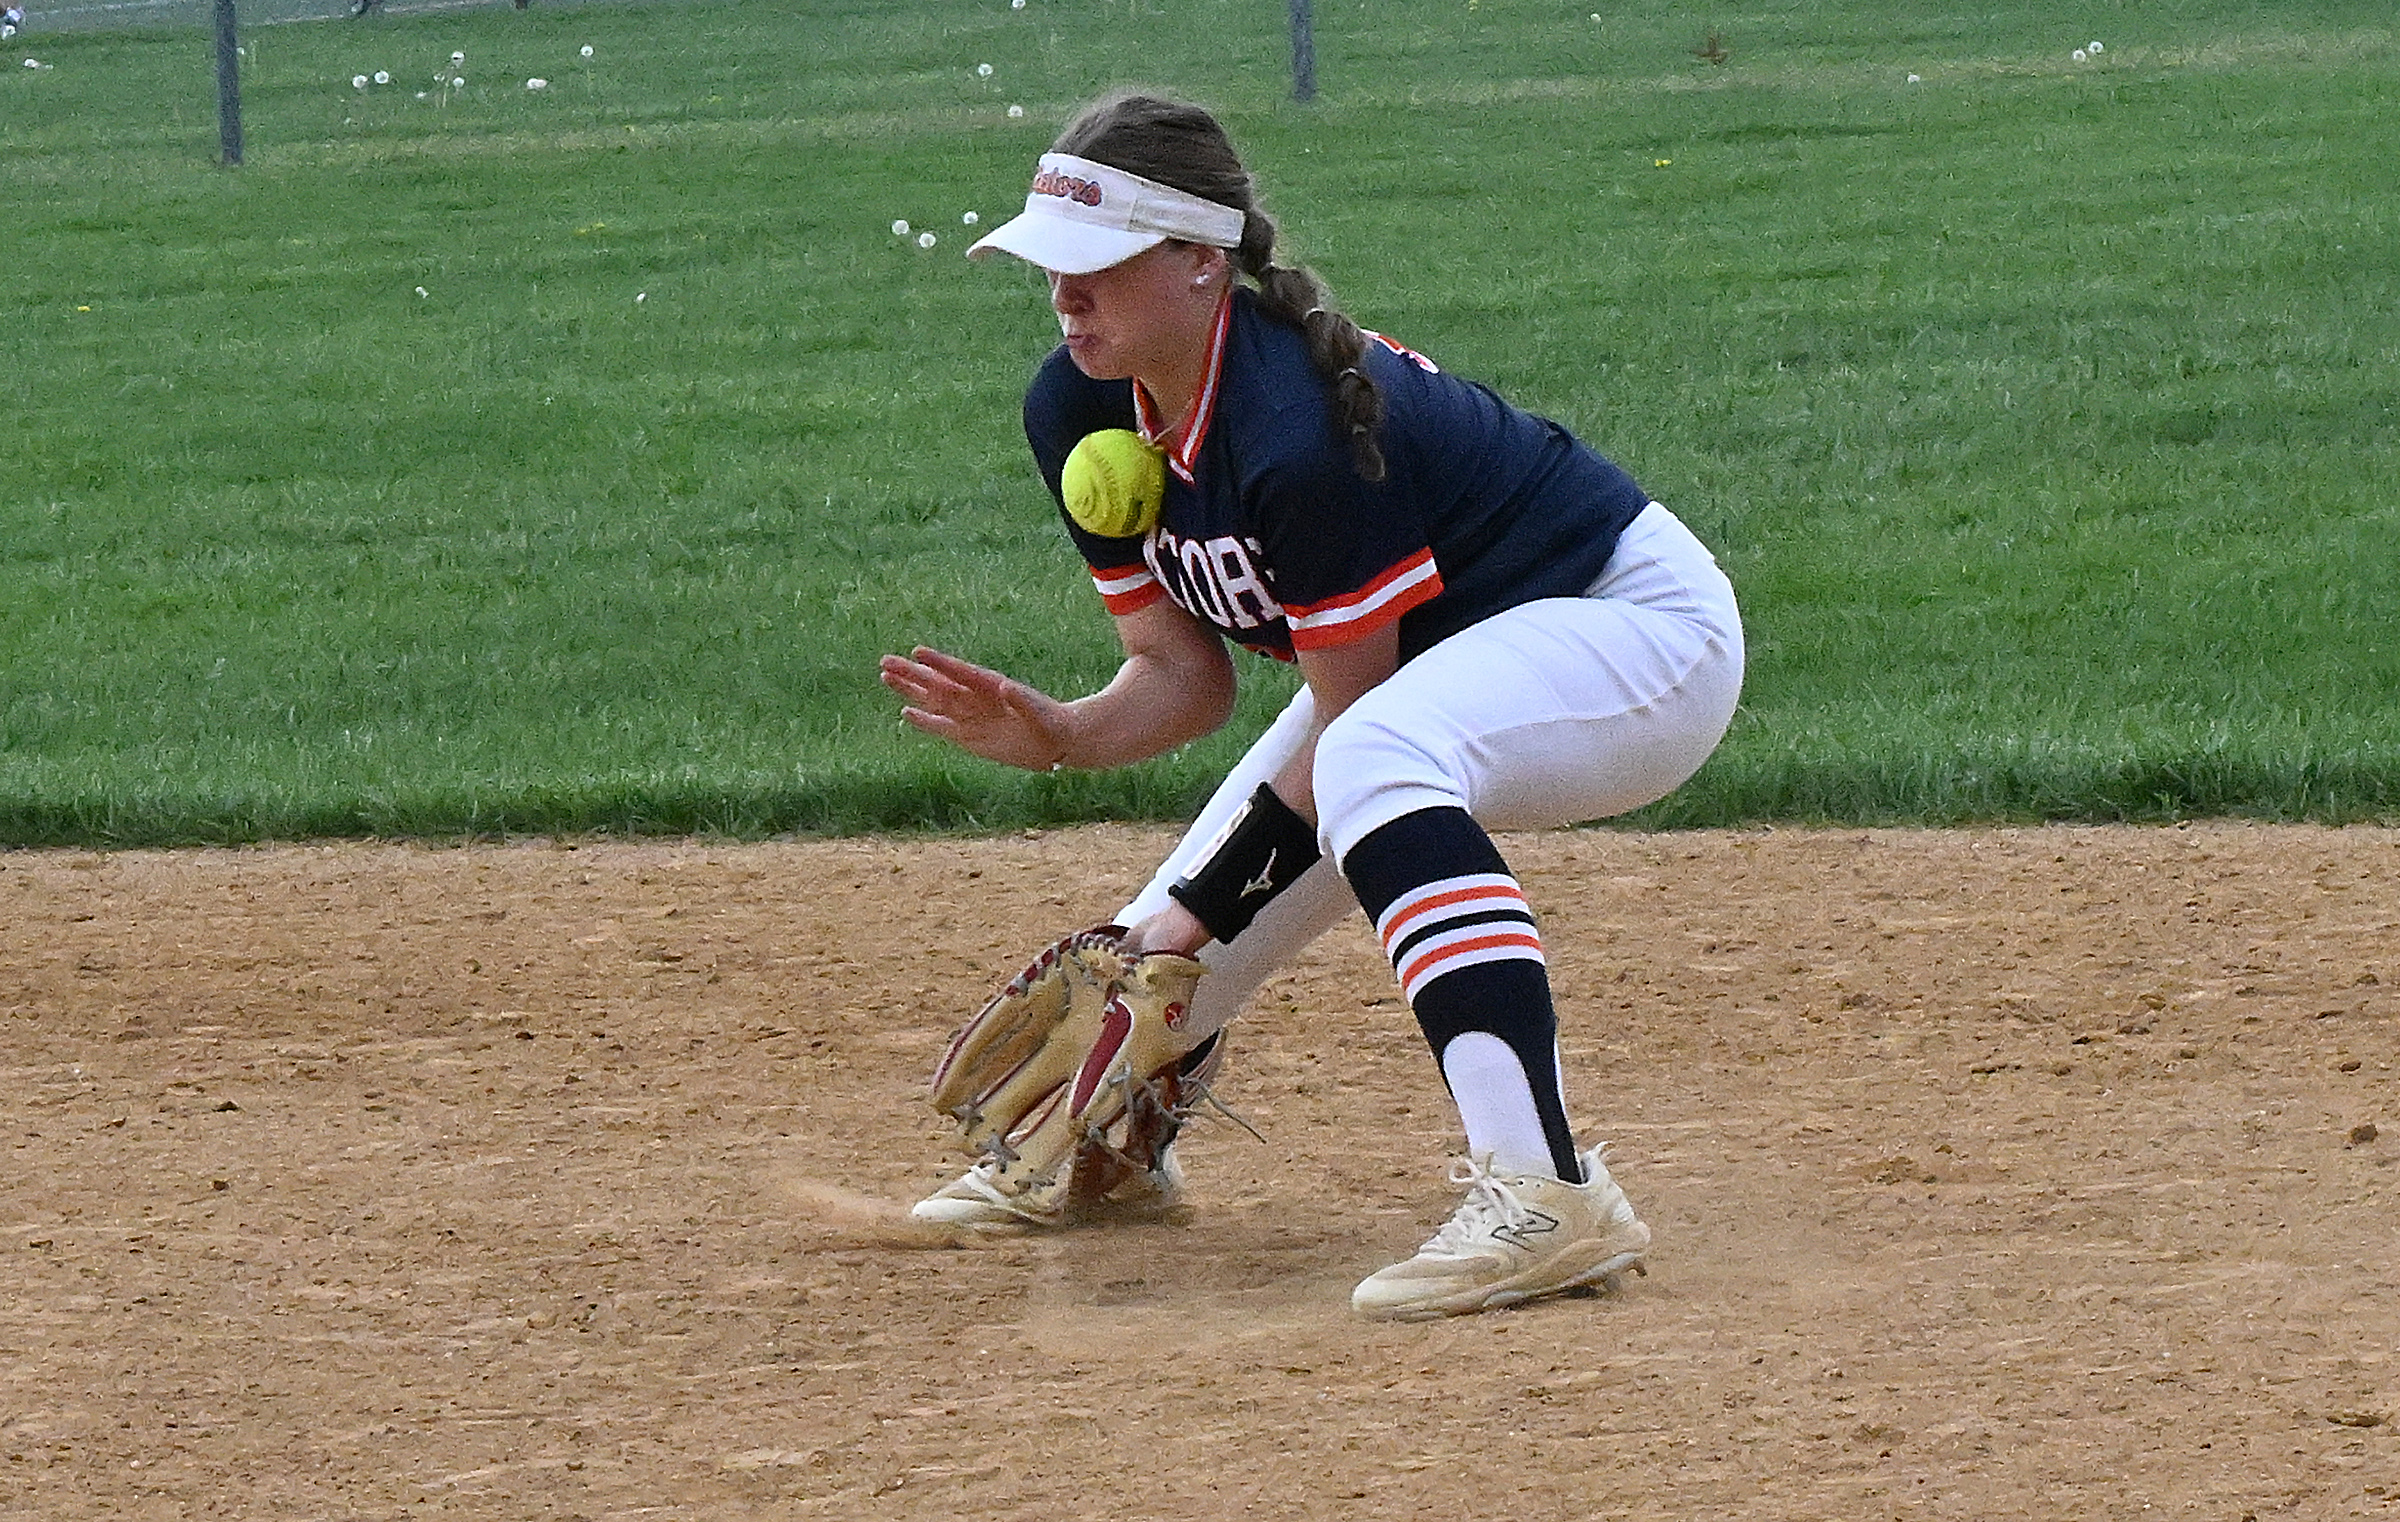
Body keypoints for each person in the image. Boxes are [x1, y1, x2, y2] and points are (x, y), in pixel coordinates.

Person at [879, 92, 1744, 1320]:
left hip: (1637, 636)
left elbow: (1349, 732)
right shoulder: (1080, 402)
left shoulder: (1295, 433)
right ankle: (1113, 1148)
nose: (1064, 299)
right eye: (1049, 270)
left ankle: (1545, 1190)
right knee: (1202, 887)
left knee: (1356, 779)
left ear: (1199, 261)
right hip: (1452, 656)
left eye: (1093, 268)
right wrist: (1065, 733)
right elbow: (1185, 677)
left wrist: (1180, 929)